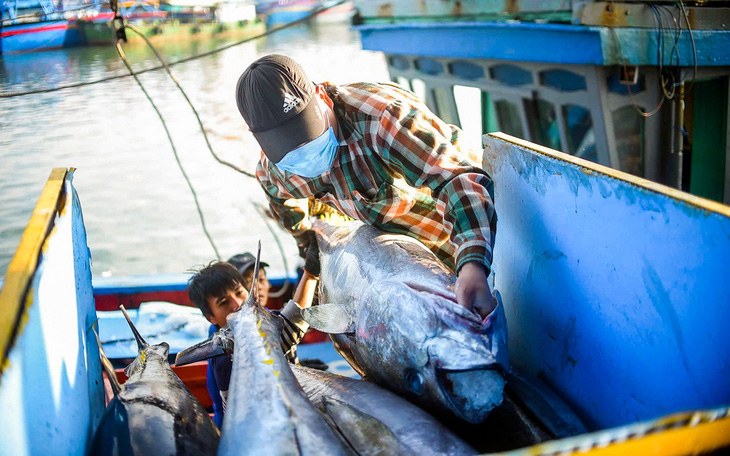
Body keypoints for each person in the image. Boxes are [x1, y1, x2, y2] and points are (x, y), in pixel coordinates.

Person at [235, 53, 498, 318]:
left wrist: (473, 263)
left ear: (322, 96)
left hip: (476, 231)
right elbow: (278, 196)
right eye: (292, 149)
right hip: (398, 259)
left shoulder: (383, 118)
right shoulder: (276, 169)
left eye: (308, 136)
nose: (305, 152)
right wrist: (306, 240)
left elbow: (454, 179)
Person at [187, 259, 318, 427]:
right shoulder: (226, 352)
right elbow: (293, 322)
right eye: (223, 302)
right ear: (210, 318)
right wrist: (310, 275)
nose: (238, 304)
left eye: (240, 293)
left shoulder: (265, 319)